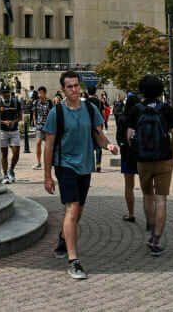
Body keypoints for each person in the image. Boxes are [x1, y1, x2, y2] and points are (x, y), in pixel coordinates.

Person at [43, 71, 118, 279]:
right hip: (65, 165)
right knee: (73, 208)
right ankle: (73, 261)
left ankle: (63, 237)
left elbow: (99, 136)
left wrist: (109, 145)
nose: (74, 90)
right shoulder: (56, 113)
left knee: (78, 212)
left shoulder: (89, 108)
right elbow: (48, 146)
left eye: (76, 85)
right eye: (70, 87)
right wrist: (47, 176)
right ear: (63, 89)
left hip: (86, 165)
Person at [125, 75, 173, 256]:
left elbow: (129, 135)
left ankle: (150, 224)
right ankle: (156, 239)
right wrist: (172, 157)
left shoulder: (135, 110)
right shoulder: (166, 109)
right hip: (164, 159)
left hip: (143, 160)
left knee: (147, 195)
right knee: (161, 199)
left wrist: (137, 152)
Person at [116, 91, 140, 224]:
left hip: (127, 155)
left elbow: (119, 137)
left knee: (128, 185)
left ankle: (131, 213)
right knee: (147, 186)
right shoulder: (142, 118)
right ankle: (151, 214)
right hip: (143, 155)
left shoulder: (122, 118)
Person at [0, 85, 22, 183]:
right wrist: (4, 122)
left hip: (14, 131)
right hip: (3, 131)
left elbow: (20, 116)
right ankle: (5, 175)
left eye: (7, 92)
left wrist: (14, 121)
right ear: (1, 94)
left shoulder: (16, 102)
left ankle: (11, 170)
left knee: (16, 153)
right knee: (4, 154)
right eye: (4, 93)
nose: (6, 94)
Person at [30, 87, 52, 170]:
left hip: (48, 126)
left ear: (45, 93)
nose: (40, 94)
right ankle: (38, 163)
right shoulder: (36, 102)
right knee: (38, 143)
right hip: (39, 126)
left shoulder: (49, 102)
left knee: (48, 146)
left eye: (41, 93)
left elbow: (52, 113)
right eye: (39, 93)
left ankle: (48, 162)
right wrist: (35, 122)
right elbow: (34, 112)